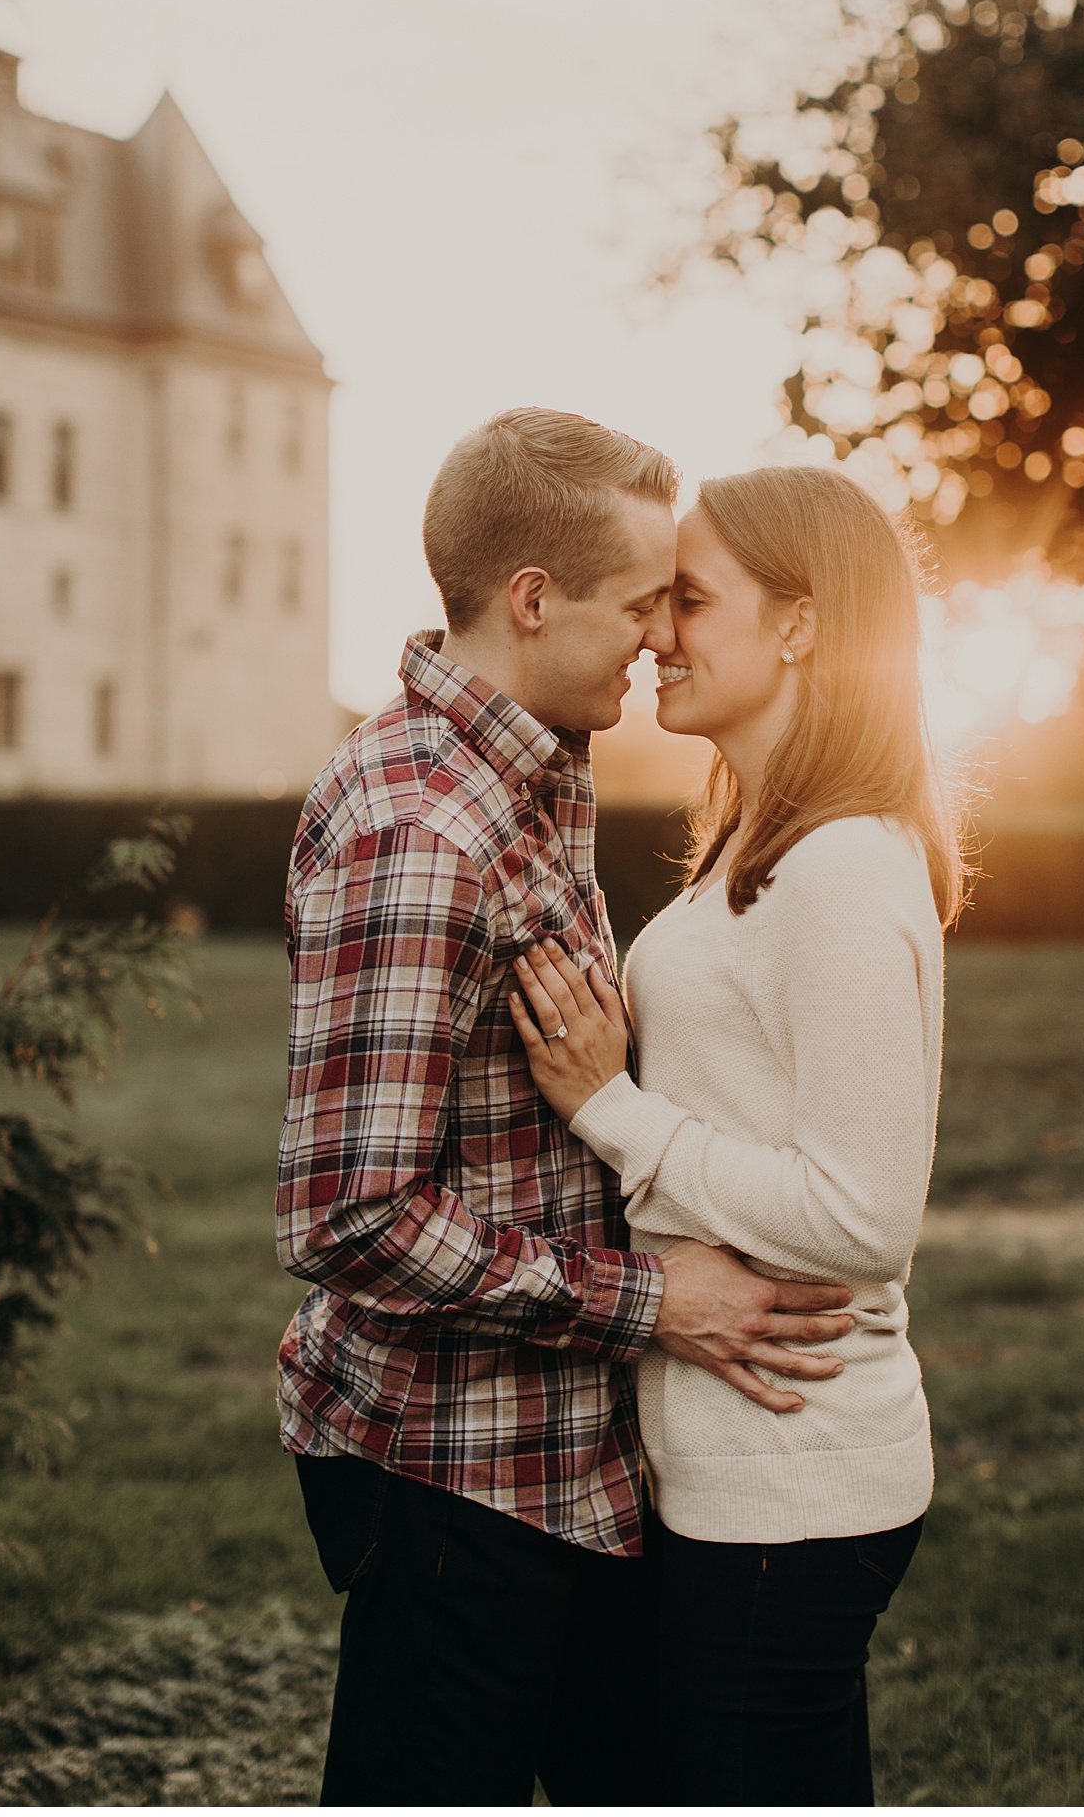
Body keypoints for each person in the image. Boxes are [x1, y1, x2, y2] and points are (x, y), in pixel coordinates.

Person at [276, 410, 856, 1808]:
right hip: (451, 1471)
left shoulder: (528, 769)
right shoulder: (423, 830)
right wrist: (655, 1303)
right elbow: (353, 1215)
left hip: (558, 1454)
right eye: (645, 598)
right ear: (533, 602)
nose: (664, 634)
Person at [510, 461, 963, 1809]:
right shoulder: (753, 845)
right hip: (732, 1464)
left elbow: (864, 1217)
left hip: (796, 1474)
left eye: (691, 600)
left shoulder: (841, 869)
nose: (656, 634)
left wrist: (611, 1111)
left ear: (800, 624)